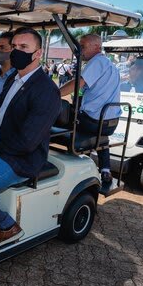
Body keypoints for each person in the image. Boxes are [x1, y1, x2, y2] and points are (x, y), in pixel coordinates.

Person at [0, 27, 61, 280]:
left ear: (38, 53)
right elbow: (0, 111)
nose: (16, 52)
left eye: (23, 48)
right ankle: (4, 223)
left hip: (22, 158)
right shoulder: (14, 79)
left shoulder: (46, 90)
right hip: (2, 148)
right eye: (14, 46)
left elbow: (27, 140)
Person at [59, 34, 121, 189]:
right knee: (102, 137)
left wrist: (54, 93)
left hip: (92, 120)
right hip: (109, 122)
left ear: (97, 47)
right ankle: (105, 169)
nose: (79, 50)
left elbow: (78, 83)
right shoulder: (110, 64)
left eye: (83, 46)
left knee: (57, 115)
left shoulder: (97, 61)